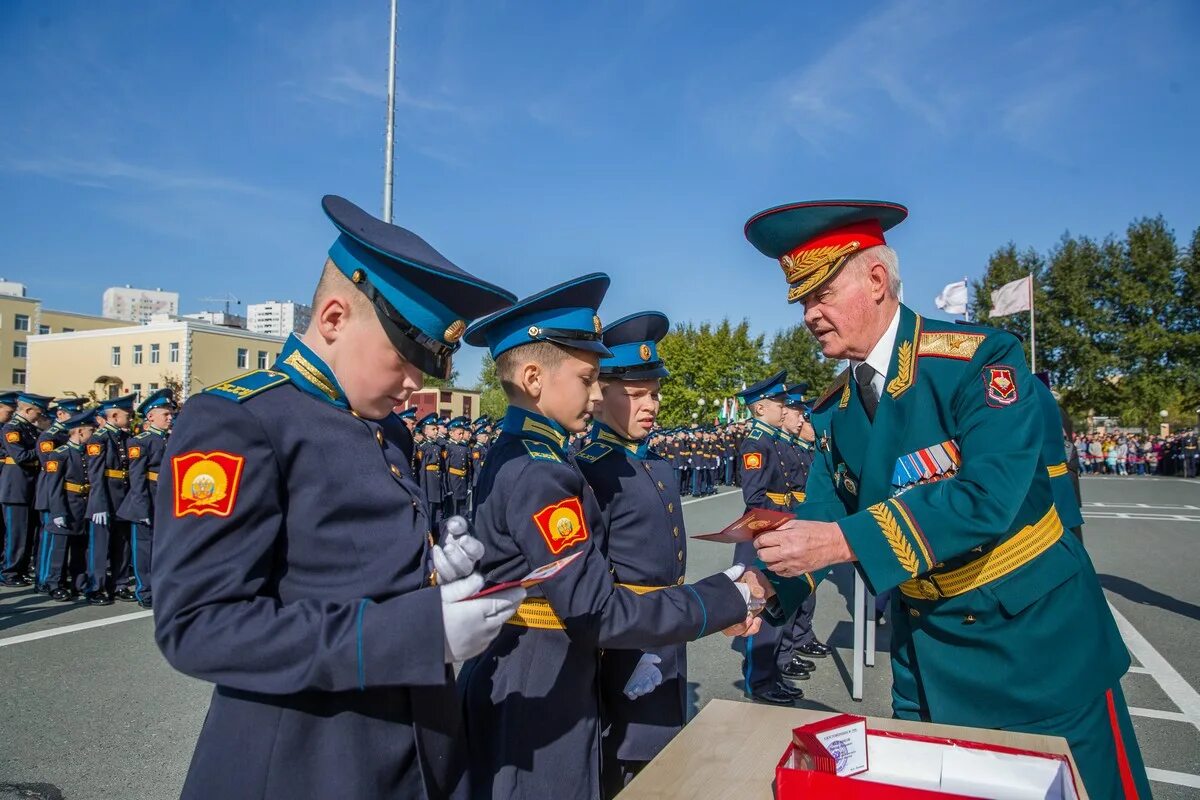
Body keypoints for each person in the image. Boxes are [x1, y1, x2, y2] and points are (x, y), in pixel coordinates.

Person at [740, 198, 1150, 799]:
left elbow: (987, 496)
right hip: (928, 651)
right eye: (801, 300)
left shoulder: (978, 360)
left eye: (820, 293)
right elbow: (824, 515)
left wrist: (843, 540)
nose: (808, 314)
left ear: (876, 280)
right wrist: (762, 587)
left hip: (1033, 648)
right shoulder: (839, 406)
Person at [152, 195, 524, 800]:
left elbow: (342, 566)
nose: (415, 385)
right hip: (307, 760)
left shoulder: (388, 428)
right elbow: (198, 625)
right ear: (332, 319)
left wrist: (429, 570)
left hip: (413, 753)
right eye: (405, 359)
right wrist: (417, 634)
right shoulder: (241, 422)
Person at [458, 274, 761, 800]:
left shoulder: (524, 453)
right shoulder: (540, 472)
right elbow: (596, 610)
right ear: (534, 378)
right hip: (542, 682)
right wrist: (728, 598)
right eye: (588, 378)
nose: (597, 394)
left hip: (531, 670)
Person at [572, 311, 692, 797]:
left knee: (666, 756)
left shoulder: (656, 461)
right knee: (627, 763)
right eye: (637, 394)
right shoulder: (592, 468)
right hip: (629, 642)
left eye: (655, 392)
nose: (652, 405)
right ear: (600, 396)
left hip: (669, 629)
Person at [730, 371, 813, 705]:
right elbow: (756, 498)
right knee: (763, 610)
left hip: (782, 524)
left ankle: (773, 672)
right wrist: (778, 526)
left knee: (780, 608)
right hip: (767, 529)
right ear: (761, 408)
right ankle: (760, 681)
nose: (784, 408)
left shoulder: (773, 441)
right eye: (778, 402)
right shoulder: (755, 443)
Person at [116, 388, 177, 609]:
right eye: (166, 414)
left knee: (165, 548)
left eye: (171, 414)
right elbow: (137, 478)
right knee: (144, 550)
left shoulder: (173, 439)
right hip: (147, 500)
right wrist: (142, 509)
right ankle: (146, 590)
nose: (170, 418)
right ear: (150, 416)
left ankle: (163, 588)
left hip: (167, 501)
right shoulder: (139, 442)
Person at [83, 394, 137, 604]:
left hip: (122, 498)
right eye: (128, 414)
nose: (131, 418)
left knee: (122, 544)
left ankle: (120, 584)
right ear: (114, 415)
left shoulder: (124, 438)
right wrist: (98, 504)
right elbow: (96, 474)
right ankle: (95, 587)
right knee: (100, 546)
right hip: (105, 497)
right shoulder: (99, 439)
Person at [41, 406, 98, 601]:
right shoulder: (59, 454)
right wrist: (57, 512)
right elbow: (54, 486)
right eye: (91, 430)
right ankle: (54, 582)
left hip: (82, 504)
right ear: (80, 431)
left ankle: (78, 581)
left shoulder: (86, 452)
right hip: (67, 504)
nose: (93, 433)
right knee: (60, 547)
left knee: (80, 547)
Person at [1, 392, 55, 588]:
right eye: (38, 412)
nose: (39, 416)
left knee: (29, 533)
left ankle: (22, 569)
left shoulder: (30, 429)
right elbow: (21, 455)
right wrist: (42, 450)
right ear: (28, 410)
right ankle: (10, 572)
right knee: (17, 534)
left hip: (30, 486)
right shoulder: (11, 428)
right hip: (16, 488)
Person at [34, 398, 86, 592]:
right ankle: (45, 580)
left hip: (69, 496)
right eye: (74, 415)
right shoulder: (50, 437)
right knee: (51, 541)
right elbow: (51, 470)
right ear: (61, 415)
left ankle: (60, 579)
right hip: (51, 495)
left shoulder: (66, 437)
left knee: (64, 541)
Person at [443, 416, 472, 517]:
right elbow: (445, 468)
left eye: (462, 433)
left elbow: (467, 467)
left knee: (463, 509)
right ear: (451, 433)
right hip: (453, 481)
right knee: (453, 510)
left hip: (463, 482)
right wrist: (447, 487)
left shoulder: (464, 447)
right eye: (459, 433)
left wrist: (468, 483)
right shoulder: (448, 447)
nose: (461, 436)